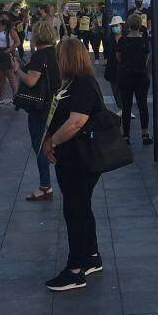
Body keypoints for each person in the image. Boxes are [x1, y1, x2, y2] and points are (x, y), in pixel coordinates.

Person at [41, 38, 106, 291]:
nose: (56, 61)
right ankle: (90, 256)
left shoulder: (82, 85)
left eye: (59, 56)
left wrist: (51, 142)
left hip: (79, 159)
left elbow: (76, 122)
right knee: (81, 206)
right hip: (76, 158)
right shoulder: (75, 83)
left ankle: (75, 269)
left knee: (74, 210)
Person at [13, 21, 61, 201]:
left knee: (40, 144)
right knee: (54, 141)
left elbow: (31, 81)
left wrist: (17, 70)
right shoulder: (56, 53)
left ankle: (45, 186)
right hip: (56, 103)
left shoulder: (40, 56)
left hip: (41, 107)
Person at [117, 13, 152, 145]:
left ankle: (126, 135)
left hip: (126, 76)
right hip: (141, 76)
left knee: (126, 106)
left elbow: (118, 58)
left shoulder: (122, 41)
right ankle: (145, 134)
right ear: (140, 26)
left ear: (128, 25)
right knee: (142, 105)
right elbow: (146, 60)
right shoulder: (144, 41)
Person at [0, 12, 20, 104]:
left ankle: (15, 98)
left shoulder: (10, 30)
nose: (3, 19)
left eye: (5, 18)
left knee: (11, 77)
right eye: (2, 17)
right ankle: (1, 98)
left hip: (6, 54)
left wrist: (10, 49)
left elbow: (17, 42)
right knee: (1, 78)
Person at [103, 15, 123, 109]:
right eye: (113, 26)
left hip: (123, 68)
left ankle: (123, 107)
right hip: (112, 67)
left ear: (122, 25)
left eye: (117, 25)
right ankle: (120, 107)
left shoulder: (126, 37)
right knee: (115, 89)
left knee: (123, 89)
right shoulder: (108, 39)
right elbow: (106, 52)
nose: (115, 27)